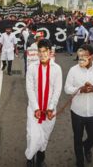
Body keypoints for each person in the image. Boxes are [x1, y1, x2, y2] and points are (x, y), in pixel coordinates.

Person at [65, 44, 93, 167]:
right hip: (77, 112)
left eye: (84, 55)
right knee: (77, 138)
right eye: (79, 55)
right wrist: (81, 90)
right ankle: (79, 161)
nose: (81, 58)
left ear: (91, 56)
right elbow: (67, 88)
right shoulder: (73, 70)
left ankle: (87, 147)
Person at [25, 39, 62, 167]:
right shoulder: (31, 67)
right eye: (40, 51)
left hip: (49, 110)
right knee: (33, 135)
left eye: (45, 51)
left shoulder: (57, 69)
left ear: (50, 52)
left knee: (45, 135)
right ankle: (29, 158)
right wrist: (36, 108)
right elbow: (29, 89)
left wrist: (51, 108)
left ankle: (41, 158)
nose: (42, 54)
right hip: (34, 109)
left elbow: (57, 90)